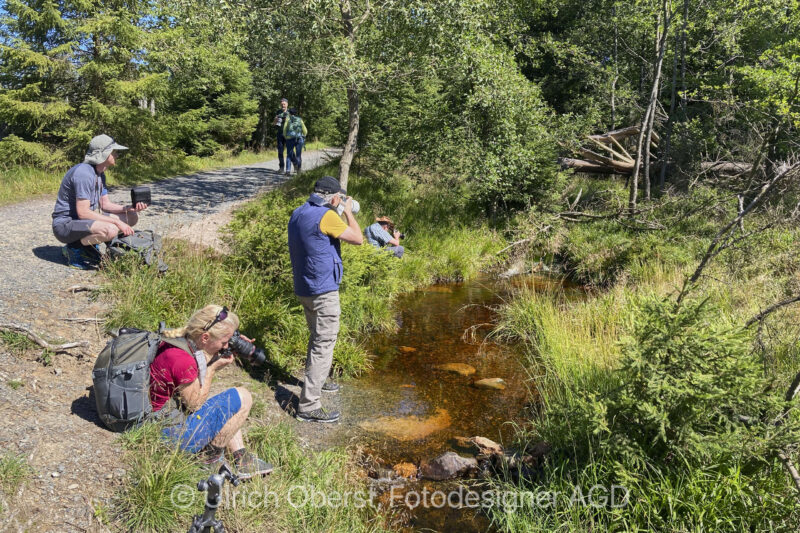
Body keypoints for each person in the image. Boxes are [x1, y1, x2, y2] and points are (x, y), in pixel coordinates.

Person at [150, 304, 273, 479]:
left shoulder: (179, 340)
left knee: (227, 403)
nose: (225, 346)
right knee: (243, 397)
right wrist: (213, 369)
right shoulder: (182, 360)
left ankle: (241, 456)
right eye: (224, 342)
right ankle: (208, 460)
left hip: (161, 418)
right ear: (206, 337)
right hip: (168, 436)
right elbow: (195, 404)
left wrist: (226, 345)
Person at [287, 176, 363, 423]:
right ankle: (309, 406)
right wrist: (348, 212)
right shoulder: (327, 215)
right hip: (323, 291)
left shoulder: (299, 212)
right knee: (324, 342)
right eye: (339, 197)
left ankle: (317, 383)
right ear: (332, 197)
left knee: (316, 337)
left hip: (305, 287)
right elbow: (357, 238)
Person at [51, 134, 148, 269]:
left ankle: (89, 247)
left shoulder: (100, 174)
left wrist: (128, 208)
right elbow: (83, 213)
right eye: (114, 152)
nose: (117, 155)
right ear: (104, 154)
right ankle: (73, 249)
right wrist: (116, 221)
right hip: (65, 225)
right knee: (111, 229)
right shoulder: (83, 173)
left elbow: (105, 205)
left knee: (131, 217)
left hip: (81, 222)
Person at [282, 107, 307, 174]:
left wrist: (286, 137)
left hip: (289, 139)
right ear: (296, 113)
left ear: (289, 113)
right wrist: (303, 136)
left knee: (289, 155)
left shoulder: (288, 119)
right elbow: (305, 130)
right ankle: (299, 170)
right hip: (299, 139)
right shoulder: (300, 120)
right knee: (298, 156)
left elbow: (284, 129)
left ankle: (288, 171)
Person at [273, 98, 290, 174]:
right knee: (280, 151)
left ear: (287, 104)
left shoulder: (290, 112)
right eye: (281, 104)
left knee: (290, 152)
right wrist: (275, 120)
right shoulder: (278, 112)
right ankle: (281, 167)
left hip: (288, 134)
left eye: (284, 104)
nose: (283, 105)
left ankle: (295, 165)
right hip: (280, 134)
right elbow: (274, 123)